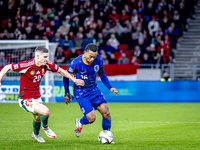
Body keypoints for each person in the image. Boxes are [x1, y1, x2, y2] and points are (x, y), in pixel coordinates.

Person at [0, 46, 84, 143]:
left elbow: (61, 70)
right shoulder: (27, 65)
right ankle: (45, 127)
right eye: (44, 57)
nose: (46, 59)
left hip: (37, 96)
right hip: (25, 99)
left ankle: (35, 134)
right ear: (38, 56)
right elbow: (7, 67)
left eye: (47, 57)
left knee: (37, 117)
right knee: (45, 111)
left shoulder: (47, 64)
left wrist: (74, 80)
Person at [63, 43, 118, 143]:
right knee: (91, 118)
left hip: (94, 90)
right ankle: (80, 122)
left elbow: (102, 75)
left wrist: (110, 88)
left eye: (94, 56)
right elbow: (66, 76)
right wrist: (67, 93)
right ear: (85, 53)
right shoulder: (76, 62)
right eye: (90, 56)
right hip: (81, 92)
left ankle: (107, 135)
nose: (92, 59)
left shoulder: (99, 60)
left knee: (106, 113)